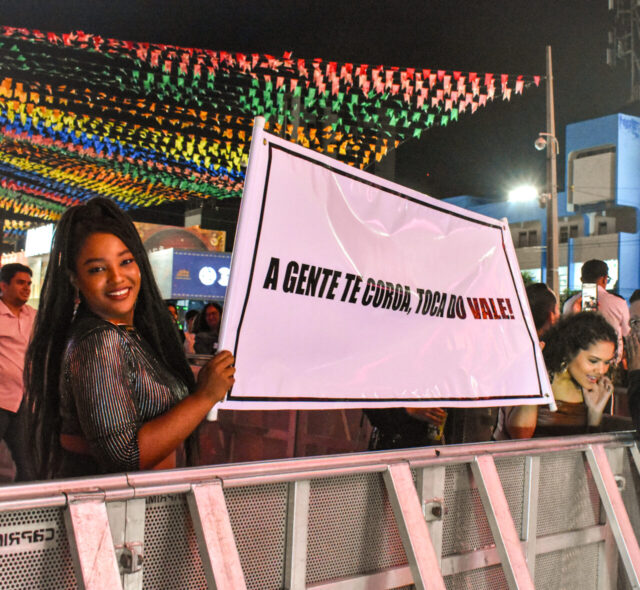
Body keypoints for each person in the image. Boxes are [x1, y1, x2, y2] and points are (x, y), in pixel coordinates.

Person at [24, 197, 235, 479]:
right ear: (75, 278)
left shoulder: (128, 334)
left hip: (141, 501)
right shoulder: (100, 342)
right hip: (116, 504)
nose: (117, 278)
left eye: (125, 261)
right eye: (97, 269)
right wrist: (204, 396)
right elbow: (124, 456)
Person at [497, 312, 616, 439]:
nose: (601, 370)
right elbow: (520, 436)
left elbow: (593, 448)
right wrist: (535, 380)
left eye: (607, 362)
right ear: (570, 351)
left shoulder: (598, 390)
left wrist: (595, 415)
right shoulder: (536, 373)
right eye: (593, 361)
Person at [0, 263, 36, 481]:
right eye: (20, 283)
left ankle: (27, 499)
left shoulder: (33, 316)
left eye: (29, 283)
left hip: (23, 400)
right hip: (1, 399)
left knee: (26, 461)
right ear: (4, 286)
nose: (26, 288)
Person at [562, 259, 629, 360]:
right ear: (604, 279)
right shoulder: (618, 302)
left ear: (581, 280)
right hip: (611, 362)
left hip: (579, 362)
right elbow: (627, 333)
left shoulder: (569, 304)